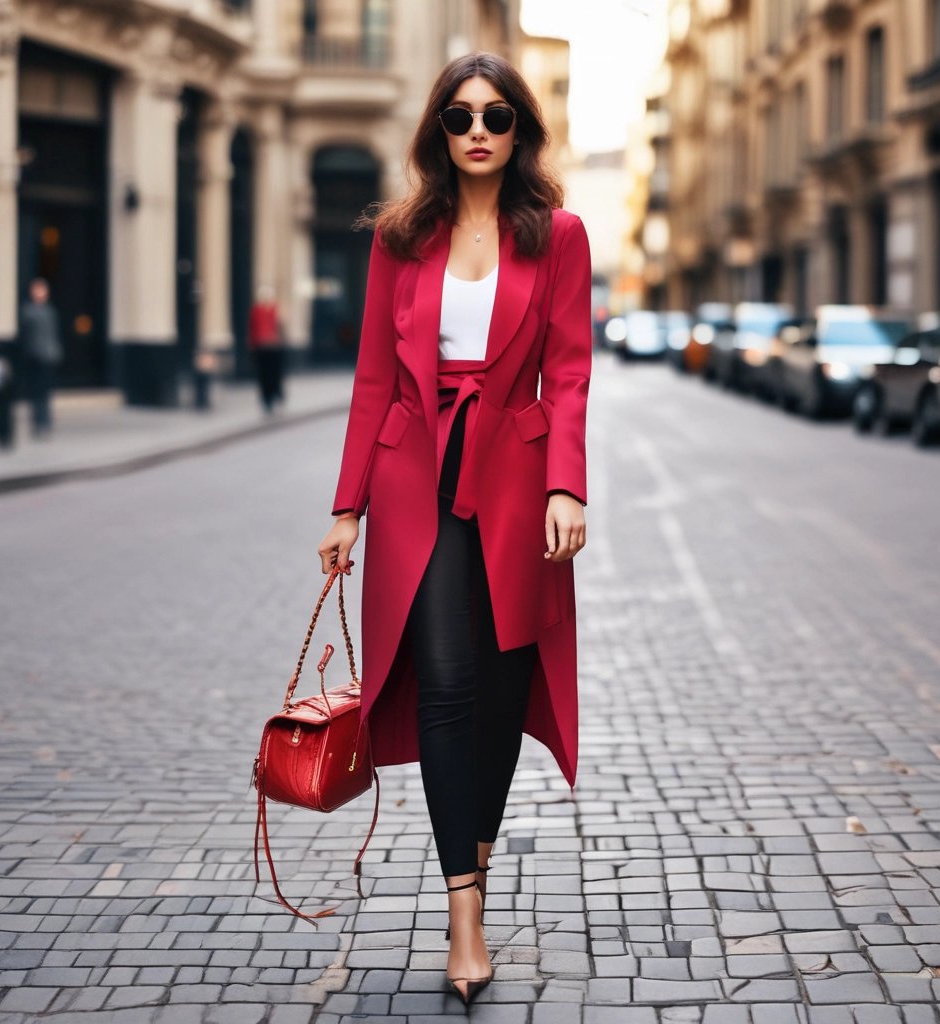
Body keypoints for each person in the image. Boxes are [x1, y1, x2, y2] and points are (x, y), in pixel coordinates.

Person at [316, 51, 591, 1006]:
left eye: (498, 115)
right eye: (461, 115)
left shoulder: (558, 235)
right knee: (446, 685)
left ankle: (472, 847)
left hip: (518, 479)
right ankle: (463, 912)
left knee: (504, 682)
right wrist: (347, 505)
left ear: (521, 131)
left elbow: (569, 374)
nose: (479, 130)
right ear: (438, 129)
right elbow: (371, 382)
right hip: (412, 475)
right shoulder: (400, 236)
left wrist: (568, 487)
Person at [19, 278, 63, 437]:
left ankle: (45, 421)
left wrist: (56, 352)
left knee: (45, 391)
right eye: (37, 290)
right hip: (34, 357)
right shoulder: (28, 311)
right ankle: (38, 422)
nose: (40, 293)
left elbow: (53, 334)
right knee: (36, 391)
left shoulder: (50, 311)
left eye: (42, 290)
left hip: (48, 357)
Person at [248, 285, 285, 413]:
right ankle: (267, 398)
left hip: (272, 347)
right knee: (264, 375)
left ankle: (275, 394)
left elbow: (278, 326)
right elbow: (253, 328)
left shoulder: (274, 310)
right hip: (262, 347)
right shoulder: (257, 311)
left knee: (274, 373)